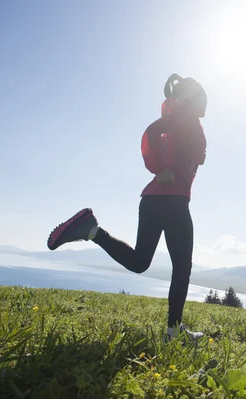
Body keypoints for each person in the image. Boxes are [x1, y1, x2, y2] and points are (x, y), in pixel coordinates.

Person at [47, 74, 207, 341]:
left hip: (154, 201)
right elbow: (151, 133)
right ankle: (173, 333)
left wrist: (195, 155)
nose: (206, 102)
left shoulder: (185, 119)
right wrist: (160, 169)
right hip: (173, 201)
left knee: (140, 262)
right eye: (203, 96)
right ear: (193, 97)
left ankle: (91, 230)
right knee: (182, 267)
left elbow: (181, 149)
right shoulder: (186, 116)